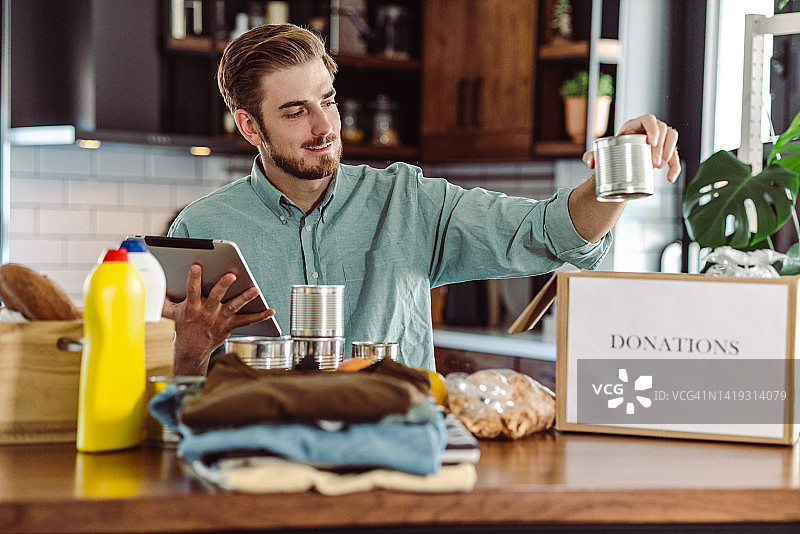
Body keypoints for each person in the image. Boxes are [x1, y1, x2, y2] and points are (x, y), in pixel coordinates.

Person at [164, 24, 680, 376]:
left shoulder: (409, 201)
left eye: (328, 101)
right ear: (250, 127)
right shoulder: (201, 229)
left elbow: (551, 233)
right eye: (296, 112)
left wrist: (620, 167)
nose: (324, 126)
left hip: (399, 458)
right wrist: (191, 351)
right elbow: (176, 394)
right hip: (260, 466)